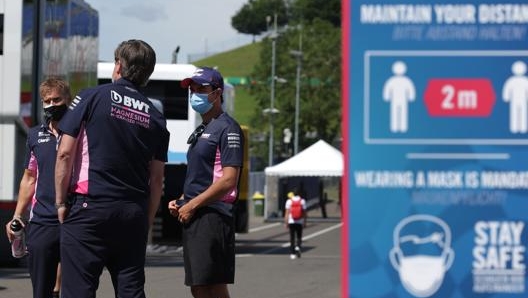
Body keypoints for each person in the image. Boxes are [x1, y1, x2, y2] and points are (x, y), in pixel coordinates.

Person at [54, 39, 169, 298]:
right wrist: (146, 222)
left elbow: (64, 153)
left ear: (118, 66)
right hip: (133, 212)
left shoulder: (91, 96)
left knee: (78, 290)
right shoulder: (156, 117)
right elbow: (157, 179)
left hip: (89, 208)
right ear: (147, 75)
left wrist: (61, 202)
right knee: (130, 291)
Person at [168, 67, 244, 298]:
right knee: (199, 286)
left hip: (213, 214)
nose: (194, 93)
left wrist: (192, 205)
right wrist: (182, 200)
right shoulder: (204, 128)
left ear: (217, 93)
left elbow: (229, 179)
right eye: (192, 88)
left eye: (201, 88)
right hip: (197, 212)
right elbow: (202, 176)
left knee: (212, 285)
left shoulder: (228, 127)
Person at [4, 78, 72, 298]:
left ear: (67, 100)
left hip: (76, 217)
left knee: (76, 289)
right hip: (42, 220)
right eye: (47, 101)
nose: (52, 104)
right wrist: (17, 216)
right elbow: (29, 178)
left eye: (57, 99)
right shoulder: (35, 135)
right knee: (40, 290)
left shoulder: (81, 133)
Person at [284, 190, 307, 259]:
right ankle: (298, 247)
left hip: (291, 221)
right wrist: (305, 222)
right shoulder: (302, 201)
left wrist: (286, 222)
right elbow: (304, 212)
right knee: (299, 236)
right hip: (299, 221)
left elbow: (287, 213)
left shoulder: (289, 201)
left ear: (293, 194)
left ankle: (292, 254)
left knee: (292, 237)